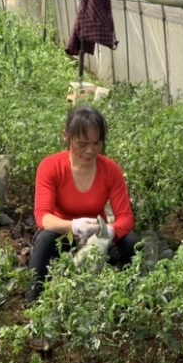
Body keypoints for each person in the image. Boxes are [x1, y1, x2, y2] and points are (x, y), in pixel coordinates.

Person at [25, 105, 139, 304]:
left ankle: (125, 300)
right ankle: (34, 302)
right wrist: (73, 226)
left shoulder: (110, 170)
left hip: (98, 238)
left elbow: (126, 218)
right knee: (44, 240)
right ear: (66, 137)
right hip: (63, 235)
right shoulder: (51, 167)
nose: (90, 151)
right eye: (82, 144)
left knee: (131, 243)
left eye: (97, 143)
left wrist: (109, 232)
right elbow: (43, 217)